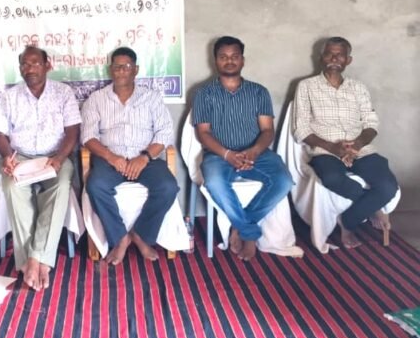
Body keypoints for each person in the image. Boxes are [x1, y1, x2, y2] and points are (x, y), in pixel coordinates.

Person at [192, 36, 293, 261]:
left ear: (243, 60)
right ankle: (249, 233)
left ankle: (240, 227)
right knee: (215, 182)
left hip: (256, 152)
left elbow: (267, 130)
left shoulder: (259, 92)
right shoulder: (204, 94)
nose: (229, 61)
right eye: (223, 57)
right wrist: (227, 154)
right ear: (215, 61)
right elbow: (203, 133)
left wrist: (254, 151)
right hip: (219, 154)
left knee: (284, 181)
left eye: (234, 56)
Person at [293, 36, 398, 248]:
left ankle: (347, 221)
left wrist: (357, 145)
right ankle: (372, 207)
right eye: (329, 54)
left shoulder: (358, 88)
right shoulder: (306, 86)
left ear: (348, 60)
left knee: (388, 187)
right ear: (322, 58)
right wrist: (334, 148)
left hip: (361, 149)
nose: (334, 58)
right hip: (325, 150)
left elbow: (371, 123)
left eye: (340, 55)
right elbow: (300, 128)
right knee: (332, 178)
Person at [0, 46, 81, 290]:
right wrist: (7, 156)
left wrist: (60, 158)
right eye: (24, 64)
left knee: (61, 185)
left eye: (35, 63)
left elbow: (73, 132)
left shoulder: (63, 93)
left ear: (47, 65)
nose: (29, 68)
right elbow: (0, 135)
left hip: (54, 157)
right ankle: (34, 262)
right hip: (20, 157)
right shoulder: (10, 96)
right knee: (12, 187)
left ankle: (34, 259)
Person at [82, 47, 179, 265]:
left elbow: (164, 133)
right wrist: (111, 157)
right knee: (96, 186)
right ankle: (120, 238)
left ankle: (141, 235)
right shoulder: (96, 99)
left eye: (126, 66)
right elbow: (88, 136)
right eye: (117, 67)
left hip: (145, 159)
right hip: (110, 160)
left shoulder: (151, 98)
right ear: (110, 70)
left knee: (168, 187)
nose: (121, 71)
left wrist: (144, 157)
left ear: (136, 69)